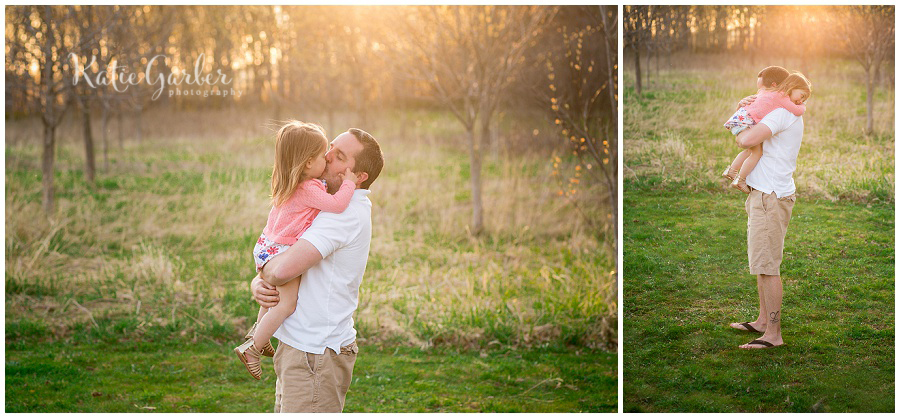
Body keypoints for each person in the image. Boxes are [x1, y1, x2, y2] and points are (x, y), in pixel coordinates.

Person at [251, 128, 384, 412]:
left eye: (338, 156)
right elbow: (283, 253)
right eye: (331, 148)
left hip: (315, 354)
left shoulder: (344, 214)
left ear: (358, 177)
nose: (326, 156)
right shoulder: (322, 199)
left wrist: (265, 274)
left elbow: (280, 271)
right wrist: (257, 282)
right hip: (301, 346)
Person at [235, 121, 359, 380]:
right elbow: (336, 205)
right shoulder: (308, 188)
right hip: (282, 251)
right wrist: (349, 183)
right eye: (322, 156)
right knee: (286, 304)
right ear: (307, 164)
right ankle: (253, 348)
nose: (327, 159)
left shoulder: (291, 183)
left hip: (268, 247)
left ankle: (258, 332)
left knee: (271, 298)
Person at [727, 71, 811, 349]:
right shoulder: (780, 110)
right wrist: (747, 106)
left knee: (768, 266)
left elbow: (745, 141)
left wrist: (743, 115)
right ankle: (763, 321)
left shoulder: (780, 115)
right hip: (765, 194)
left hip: (770, 197)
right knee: (762, 265)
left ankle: (773, 335)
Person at [722, 67, 809, 193]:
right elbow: (797, 110)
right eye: (802, 96)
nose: (801, 100)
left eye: (804, 99)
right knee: (756, 153)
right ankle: (740, 180)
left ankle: (731, 171)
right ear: (791, 87)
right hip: (745, 121)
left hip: (740, 120)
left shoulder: (764, 92)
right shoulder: (781, 97)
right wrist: (802, 106)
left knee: (749, 151)